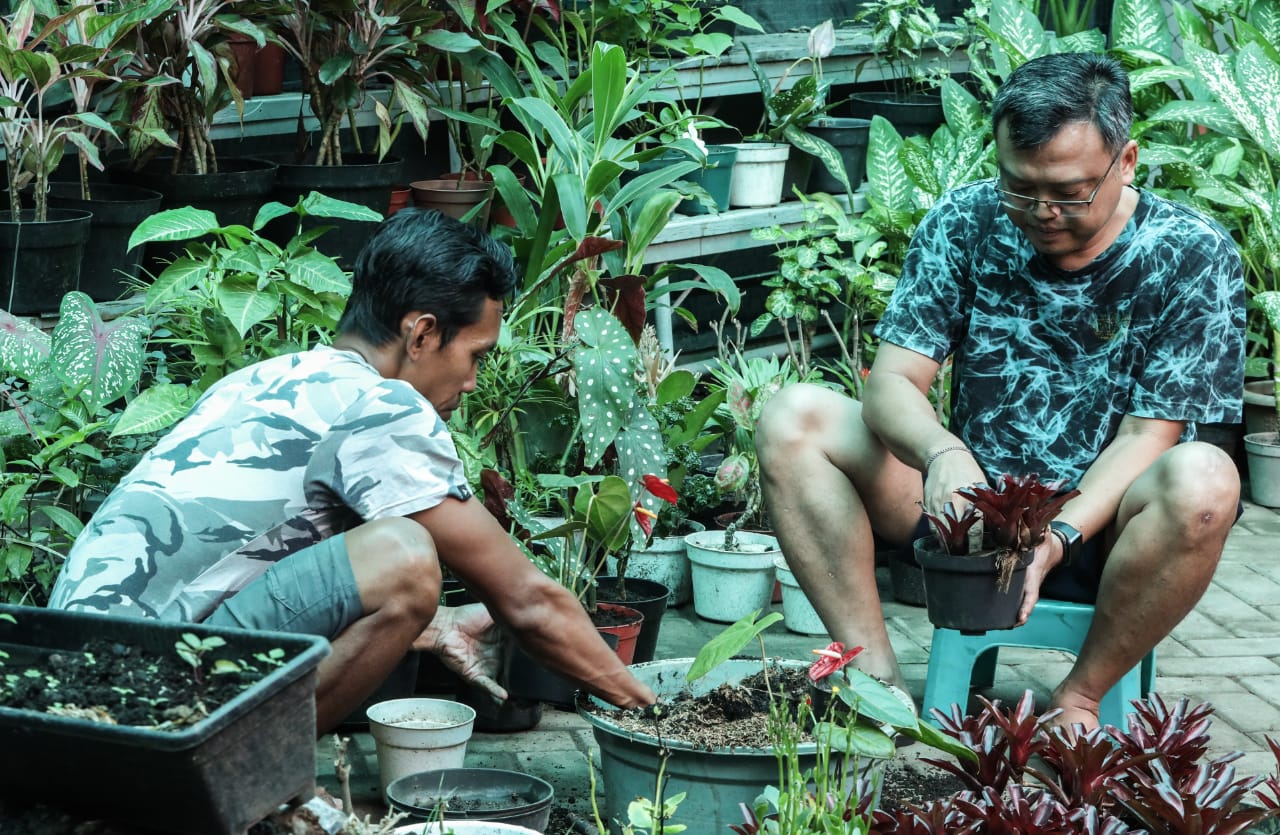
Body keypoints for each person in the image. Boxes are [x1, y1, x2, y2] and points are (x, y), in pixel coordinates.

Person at [755, 52, 1245, 731]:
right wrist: (941, 451)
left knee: (1207, 479)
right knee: (793, 417)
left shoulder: (1191, 253)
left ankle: (1078, 696)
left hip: (1110, 533)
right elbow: (894, 380)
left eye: (1070, 191)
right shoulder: (966, 221)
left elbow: (1149, 435)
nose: (1042, 211)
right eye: (1020, 187)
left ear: (1125, 161)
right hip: (970, 517)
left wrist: (1058, 537)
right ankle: (874, 682)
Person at [49, 208, 656, 733]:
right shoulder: (381, 405)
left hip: (67, 682)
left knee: (387, 554)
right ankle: (240, 778)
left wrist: (437, 624)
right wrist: (650, 712)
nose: (471, 382)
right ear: (421, 333)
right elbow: (526, 600)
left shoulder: (272, 377)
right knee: (405, 557)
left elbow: (267, 571)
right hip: (133, 698)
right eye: (474, 355)